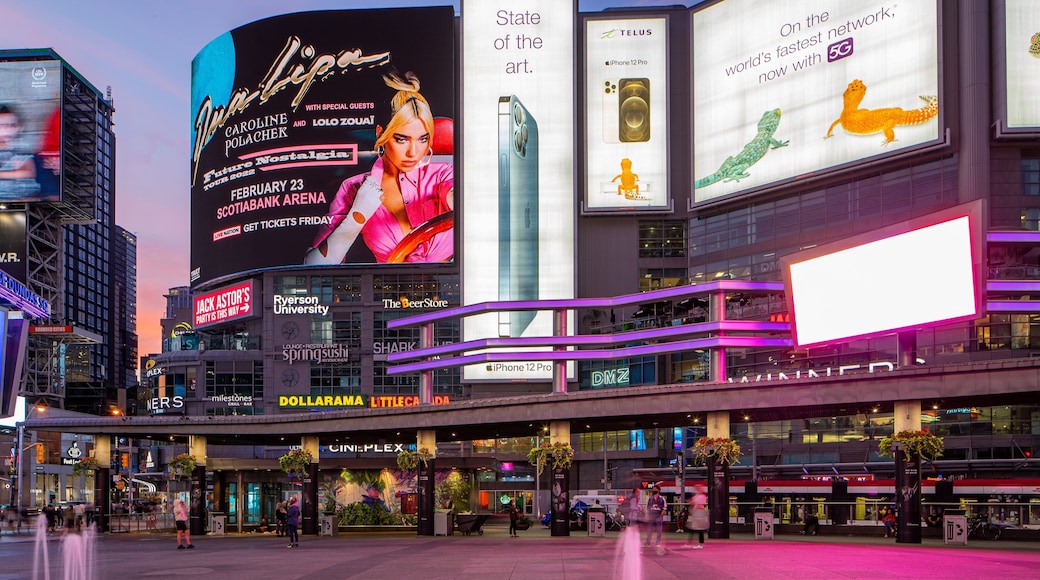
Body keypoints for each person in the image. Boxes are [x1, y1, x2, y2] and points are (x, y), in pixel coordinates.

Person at [306, 71, 453, 265]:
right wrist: (356, 217)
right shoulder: (353, 188)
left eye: (423, 139)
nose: (413, 152)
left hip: (451, 287)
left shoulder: (443, 173)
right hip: (392, 291)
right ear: (381, 134)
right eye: (402, 139)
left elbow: (458, 198)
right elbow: (314, 267)